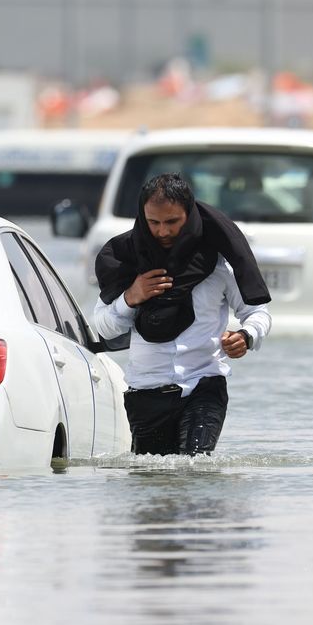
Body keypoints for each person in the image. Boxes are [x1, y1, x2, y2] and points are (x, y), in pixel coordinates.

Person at [93, 172, 272, 456]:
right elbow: (104, 328)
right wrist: (131, 297)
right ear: (142, 218)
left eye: (172, 222)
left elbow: (256, 312)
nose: (163, 232)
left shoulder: (216, 264)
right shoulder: (126, 262)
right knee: (152, 483)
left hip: (204, 385)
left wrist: (246, 336)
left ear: (188, 216)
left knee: (196, 467)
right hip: (146, 392)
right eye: (154, 223)